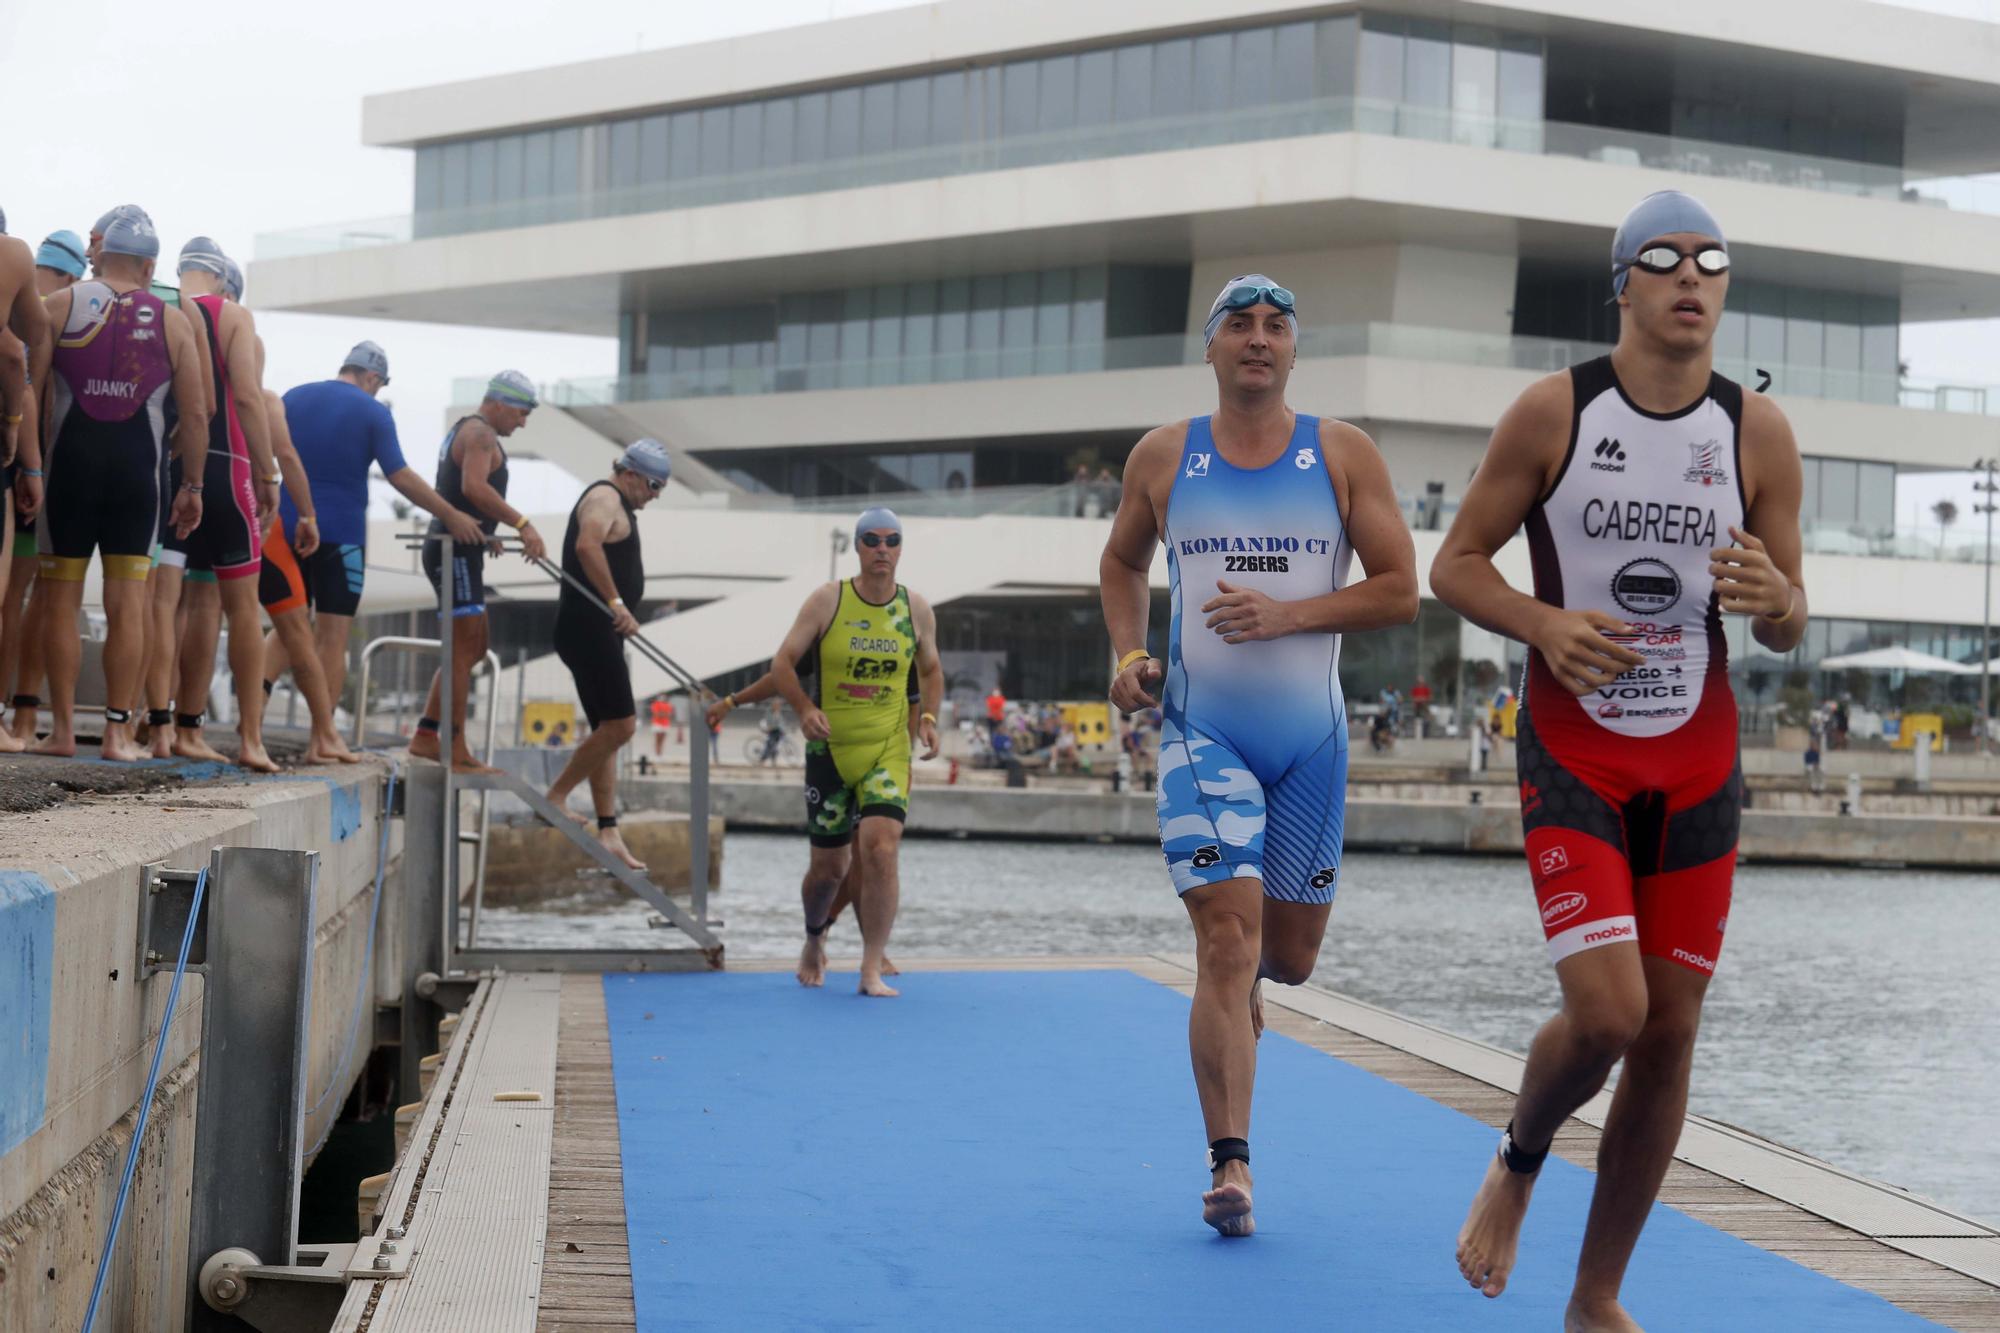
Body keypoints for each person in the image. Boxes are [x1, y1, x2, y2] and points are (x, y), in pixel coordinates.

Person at [1428, 190, 1806, 1328]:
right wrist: (1542, 623)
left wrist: (1778, 600)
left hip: (1695, 758)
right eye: (1663, 259)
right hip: (1575, 749)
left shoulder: (1755, 432)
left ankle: (1594, 1298)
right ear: (1622, 287)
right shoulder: (1553, 413)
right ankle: (1519, 1153)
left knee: (1670, 1030)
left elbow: (1787, 617)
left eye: (1711, 261)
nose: (1691, 277)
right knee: (1605, 1015)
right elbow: (1455, 564)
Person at [1099, 273, 1417, 1237]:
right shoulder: (1163, 456)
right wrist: (1126, 652)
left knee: (1287, 957)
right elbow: (1122, 562)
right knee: (1224, 944)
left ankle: (1244, 1007)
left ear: (1292, 351)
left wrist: (1291, 614)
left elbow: (1402, 587)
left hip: (1309, 742)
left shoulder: (1342, 452)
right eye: (1240, 324)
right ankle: (1231, 1163)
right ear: (1212, 348)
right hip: (1205, 732)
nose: (1259, 339)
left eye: (1277, 326)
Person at [34, 209, 207, 760]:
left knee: (59, 597)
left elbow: (32, 393)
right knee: (129, 602)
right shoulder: (173, 319)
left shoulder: (61, 305)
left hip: (68, 470)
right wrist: (193, 486)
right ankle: (115, 732)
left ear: (99, 255)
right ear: (151, 264)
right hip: (139, 474)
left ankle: (60, 731)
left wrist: (34, 468)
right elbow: (198, 415)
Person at [261, 341, 484, 737]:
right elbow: (399, 475)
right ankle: (322, 738)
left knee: (285, 627)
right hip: (341, 536)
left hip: (286, 525)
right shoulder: (373, 412)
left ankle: (252, 720)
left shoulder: (293, 397)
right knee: (333, 635)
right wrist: (449, 513)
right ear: (373, 378)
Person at [769, 507, 943, 997]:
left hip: (887, 748)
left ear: (901, 548)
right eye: (871, 539)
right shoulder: (828, 600)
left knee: (882, 848)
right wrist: (803, 708)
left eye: (891, 540)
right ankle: (813, 938)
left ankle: (869, 968)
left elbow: (931, 670)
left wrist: (928, 719)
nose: (881, 548)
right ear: (859, 547)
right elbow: (781, 663)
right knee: (827, 872)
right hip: (830, 749)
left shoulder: (916, 609)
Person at [144, 237, 281, 772]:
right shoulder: (232, 315)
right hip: (227, 467)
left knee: (163, 602)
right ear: (222, 279)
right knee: (236, 609)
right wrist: (267, 474)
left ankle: (162, 724)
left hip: (172, 470)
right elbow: (246, 396)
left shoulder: (161, 310)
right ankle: (248, 739)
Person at [409, 370, 547, 771]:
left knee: (474, 647)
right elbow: (473, 487)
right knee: (462, 648)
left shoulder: (469, 431)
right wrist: (523, 524)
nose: (522, 423)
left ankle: (426, 734)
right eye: (521, 414)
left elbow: (461, 492)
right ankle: (454, 747)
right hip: (452, 551)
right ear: (499, 404)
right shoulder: (482, 434)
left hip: (463, 548)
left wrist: (489, 532)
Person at [543, 440, 670, 870]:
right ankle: (556, 796)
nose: (655, 494)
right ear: (630, 472)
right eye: (653, 484)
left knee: (606, 733)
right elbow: (586, 545)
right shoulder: (604, 497)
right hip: (590, 628)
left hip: (598, 632)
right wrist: (617, 604)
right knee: (622, 726)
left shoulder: (620, 503)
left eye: (662, 488)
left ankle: (609, 828)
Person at [758, 700, 786, 765]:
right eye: (776, 705)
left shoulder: (778, 712)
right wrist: (771, 727)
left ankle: (772, 761)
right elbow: (769, 721)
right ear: (773, 705)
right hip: (771, 730)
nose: (778, 707)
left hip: (777, 731)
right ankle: (762, 760)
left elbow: (781, 722)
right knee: (770, 746)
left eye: (778, 705)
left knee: (775, 747)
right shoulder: (769, 712)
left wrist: (784, 729)